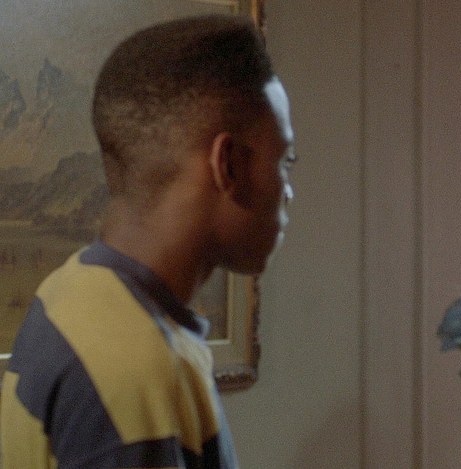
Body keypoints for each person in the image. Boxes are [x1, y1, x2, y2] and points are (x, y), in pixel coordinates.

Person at [0, 14, 295, 468]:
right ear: (229, 165)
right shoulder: (136, 375)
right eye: (285, 162)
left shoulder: (70, 288)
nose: (288, 191)